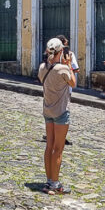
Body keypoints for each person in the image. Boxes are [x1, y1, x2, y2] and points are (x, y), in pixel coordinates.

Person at [38, 38, 75, 194]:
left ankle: (49, 181)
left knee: (49, 146)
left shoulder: (42, 68)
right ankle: (55, 184)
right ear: (61, 52)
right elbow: (73, 83)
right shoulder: (63, 69)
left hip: (48, 110)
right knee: (58, 149)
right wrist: (69, 66)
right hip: (60, 111)